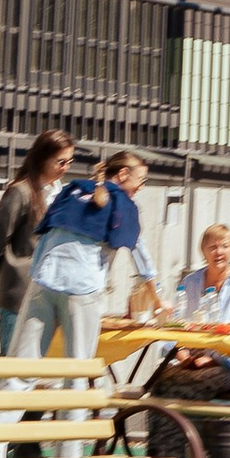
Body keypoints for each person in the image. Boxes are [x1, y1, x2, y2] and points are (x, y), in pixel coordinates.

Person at [18, 149, 156, 365]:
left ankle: (13, 396)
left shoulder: (72, 190)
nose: (142, 186)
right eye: (141, 179)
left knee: (23, 364)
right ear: (122, 174)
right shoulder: (124, 205)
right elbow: (141, 258)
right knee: (78, 367)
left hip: (44, 281)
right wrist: (157, 299)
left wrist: (37, 274)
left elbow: (45, 237)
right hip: (82, 289)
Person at [157, 218, 230, 400]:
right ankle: (174, 428)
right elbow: (175, 326)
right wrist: (183, 355)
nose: (219, 252)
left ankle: (191, 428)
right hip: (192, 359)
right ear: (203, 251)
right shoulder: (190, 282)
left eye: (225, 246)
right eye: (212, 247)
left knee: (183, 389)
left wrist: (215, 359)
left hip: (229, 364)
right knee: (158, 385)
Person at [0, 130, 73, 351]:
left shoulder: (61, 193)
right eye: (60, 162)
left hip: (50, 292)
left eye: (69, 162)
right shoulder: (20, 192)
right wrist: (10, 272)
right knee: (10, 360)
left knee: (30, 365)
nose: (65, 168)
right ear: (43, 158)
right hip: (20, 292)